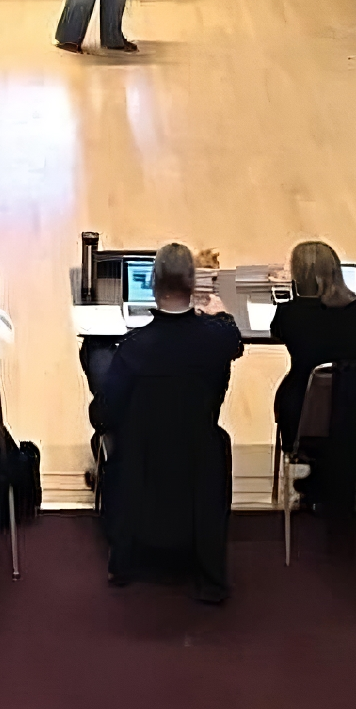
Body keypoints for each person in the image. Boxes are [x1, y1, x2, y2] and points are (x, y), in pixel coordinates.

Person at [89, 242, 244, 603]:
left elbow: (107, 412)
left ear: (153, 283)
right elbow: (234, 340)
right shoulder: (217, 340)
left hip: (143, 451)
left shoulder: (133, 347)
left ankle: (126, 556)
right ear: (193, 284)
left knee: (97, 361)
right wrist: (221, 315)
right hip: (199, 449)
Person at [267, 240, 356, 517]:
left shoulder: (291, 314)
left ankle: (320, 475)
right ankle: (353, 467)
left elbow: (278, 331)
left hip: (304, 420)